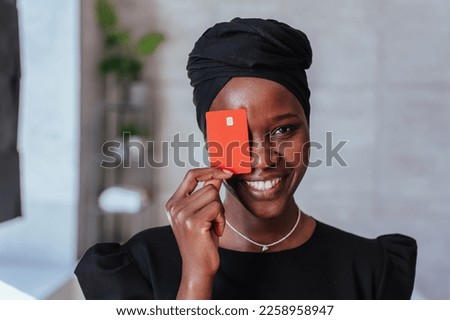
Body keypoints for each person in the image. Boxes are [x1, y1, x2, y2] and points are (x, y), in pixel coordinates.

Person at [75, 17, 417, 299]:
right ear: (210, 143)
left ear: (308, 132)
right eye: (236, 136)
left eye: (283, 130)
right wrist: (195, 278)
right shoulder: (137, 268)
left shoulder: (372, 268)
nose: (263, 159)